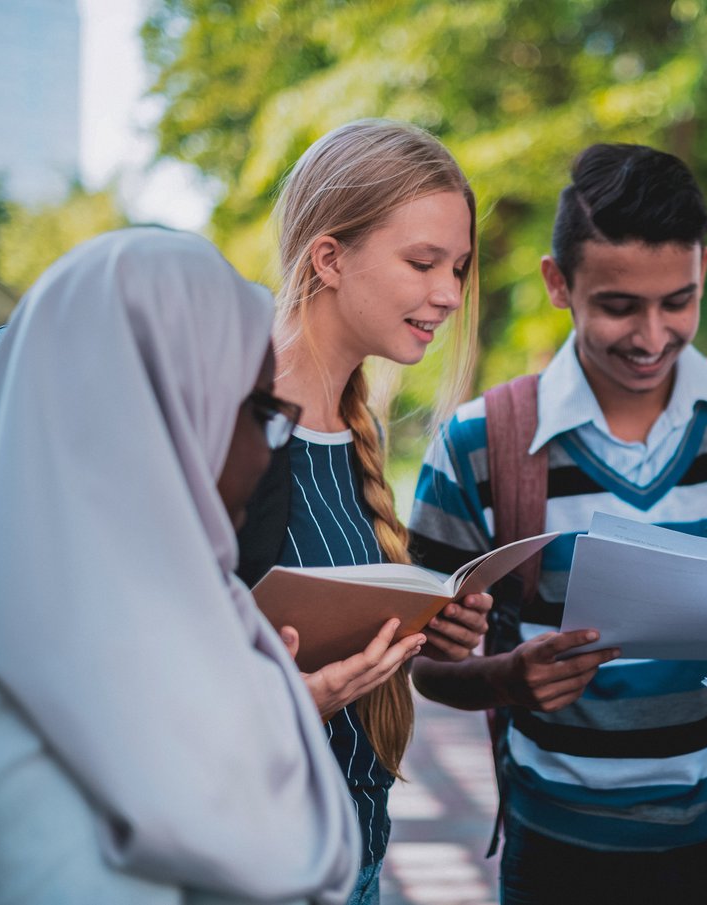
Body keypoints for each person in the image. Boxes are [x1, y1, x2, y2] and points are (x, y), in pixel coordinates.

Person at [407, 143, 707, 905]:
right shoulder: (478, 445)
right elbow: (421, 659)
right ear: (558, 282)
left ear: (703, 267)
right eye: (618, 306)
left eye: (678, 300)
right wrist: (506, 678)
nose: (650, 336)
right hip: (558, 854)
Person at [0, 228, 360, 902]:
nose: (267, 454)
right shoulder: (1, 701)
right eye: (261, 410)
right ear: (161, 414)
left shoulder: (157, 602)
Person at [234, 118, 492, 904]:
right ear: (329, 257)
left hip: (356, 858)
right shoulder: (223, 425)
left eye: (458, 266)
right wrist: (292, 704)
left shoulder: (357, 429)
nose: (448, 293)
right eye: (422, 262)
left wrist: (421, 630)